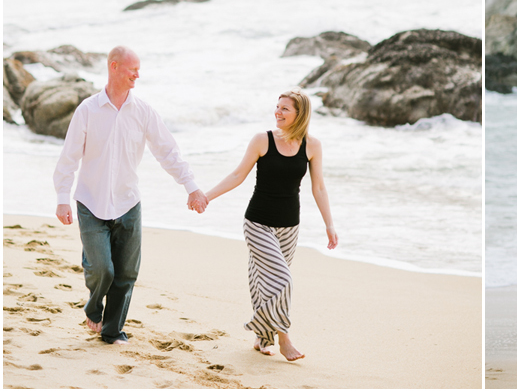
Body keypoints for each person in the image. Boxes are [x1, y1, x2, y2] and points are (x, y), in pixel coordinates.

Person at [53, 46, 207, 344]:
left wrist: (191, 186)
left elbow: (167, 151)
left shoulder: (143, 111)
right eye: (132, 68)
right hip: (90, 202)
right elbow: (69, 158)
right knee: (102, 269)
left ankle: (112, 331)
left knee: (126, 273)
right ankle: (94, 308)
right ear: (113, 67)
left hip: (128, 202)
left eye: (138, 69)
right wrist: (62, 197)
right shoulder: (87, 110)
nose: (138, 74)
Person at [204, 89, 337, 360]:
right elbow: (237, 174)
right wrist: (206, 196)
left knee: (263, 282)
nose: (278, 112)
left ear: (300, 114)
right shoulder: (262, 140)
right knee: (283, 280)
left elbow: (319, 187)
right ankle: (284, 338)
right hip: (258, 222)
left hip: (289, 226)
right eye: (277, 107)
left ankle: (261, 337)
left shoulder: (312, 145)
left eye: (285, 109)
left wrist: (329, 225)